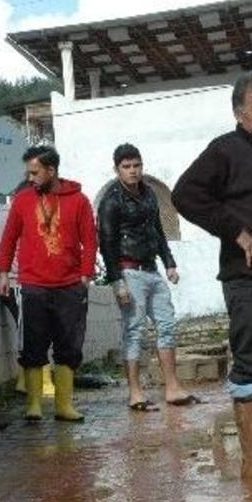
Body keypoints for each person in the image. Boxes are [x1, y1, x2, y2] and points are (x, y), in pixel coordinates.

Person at [172, 71, 252, 478]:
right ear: (239, 113)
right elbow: (184, 194)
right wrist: (237, 232)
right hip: (249, 283)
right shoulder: (226, 150)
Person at [0, 145, 97, 422]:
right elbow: (8, 239)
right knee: (32, 345)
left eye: (35, 172)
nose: (30, 178)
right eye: (28, 172)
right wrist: (3, 272)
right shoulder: (22, 199)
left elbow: (90, 240)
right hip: (32, 284)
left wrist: (86, 275)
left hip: (69, 285)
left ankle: (64, 405)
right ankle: (34, 404)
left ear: (51, 170)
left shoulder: (79, 200)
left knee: (69, 345)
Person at [96, 143, 200, 411]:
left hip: (151, 269)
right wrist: (117, 281)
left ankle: (172, 387)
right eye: (127, 167)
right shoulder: (111, 201)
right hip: (128, 271)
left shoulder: (149, 194)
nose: (133, 171)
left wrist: (169, 263)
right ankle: (135, 392)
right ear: (117, 169)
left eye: (136, 165)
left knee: (166, 325)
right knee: (134, 330)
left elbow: (157, 230)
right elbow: (106, 244)